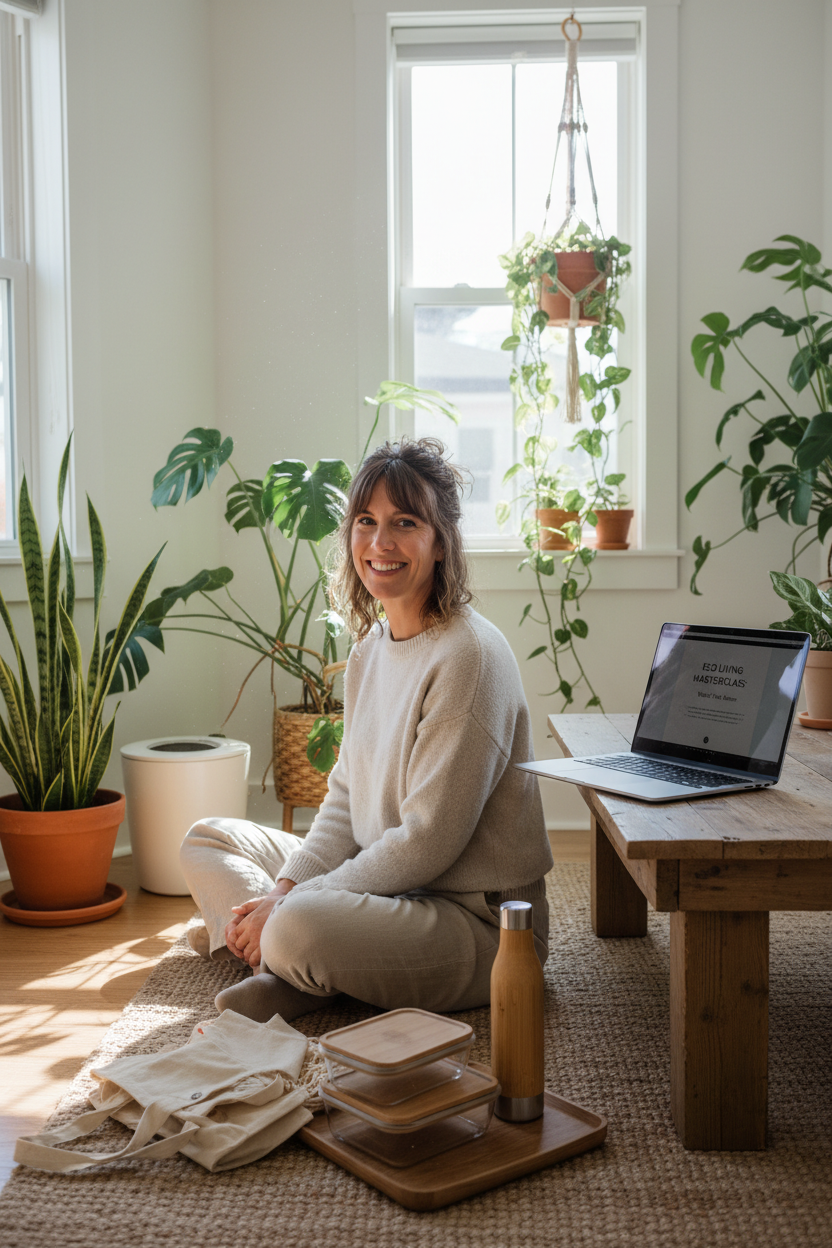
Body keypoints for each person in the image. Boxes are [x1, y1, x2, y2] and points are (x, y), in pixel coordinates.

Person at [180, 437, 553, 1024]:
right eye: (366, 521)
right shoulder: (369, 650)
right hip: (384, 886)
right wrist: (282, 890)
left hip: (477, 923)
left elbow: (427, 844)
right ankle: (293, 970)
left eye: (405, 522)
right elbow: (345, 798)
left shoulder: (468, 657)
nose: (380, 542)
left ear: (440, 542)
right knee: (208, 840)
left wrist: (294, 907)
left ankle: (288, 960)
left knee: (297, 926)